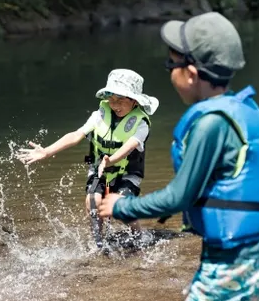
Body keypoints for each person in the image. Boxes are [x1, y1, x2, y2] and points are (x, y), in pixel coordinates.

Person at [98, 12, 259, 301]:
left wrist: (120, 207)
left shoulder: (209, 124)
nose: (168, 71)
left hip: (235, 254)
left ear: (190, 73)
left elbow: (179, 195)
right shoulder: (242, 110)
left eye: (171, 62)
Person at [17, 69, 159, 244]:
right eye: (112, 99)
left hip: (127, 172)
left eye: (121, 100)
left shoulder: (141, 123)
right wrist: (47, 151)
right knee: (93, 201)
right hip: (99, 168)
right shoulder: (99, 115)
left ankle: (139, 237)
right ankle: (98, 242)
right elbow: (76, 135)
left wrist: (111, 160)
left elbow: (130, 146)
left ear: (135, 101)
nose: (115, 105)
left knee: (120, 207)